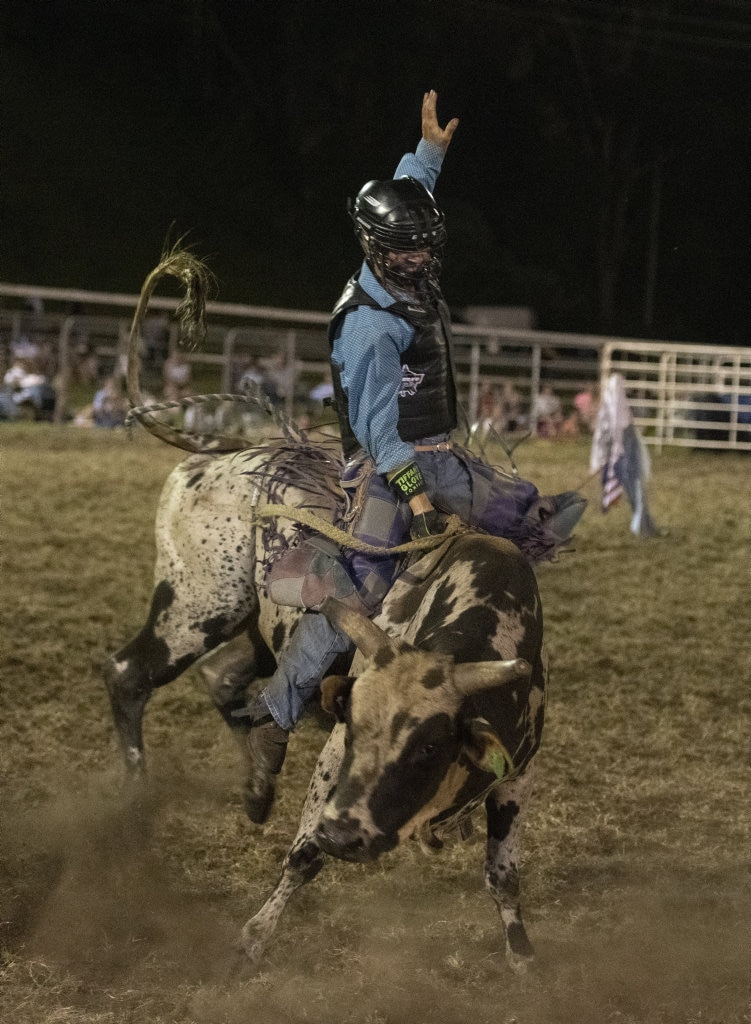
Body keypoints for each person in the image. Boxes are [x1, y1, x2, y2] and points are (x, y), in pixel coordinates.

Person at [241, 90, 586, 824]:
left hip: (442, 454)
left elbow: (411, 203)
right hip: (392, 469)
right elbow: (384, 438)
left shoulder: (403, 261)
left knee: (539, 524)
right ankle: (275, 712)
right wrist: (421, 501)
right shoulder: (368, 331)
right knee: (353, 592)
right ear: (373, 249)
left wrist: (427, 154)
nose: (419, 256)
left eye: (425, 245)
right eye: (405, 249)